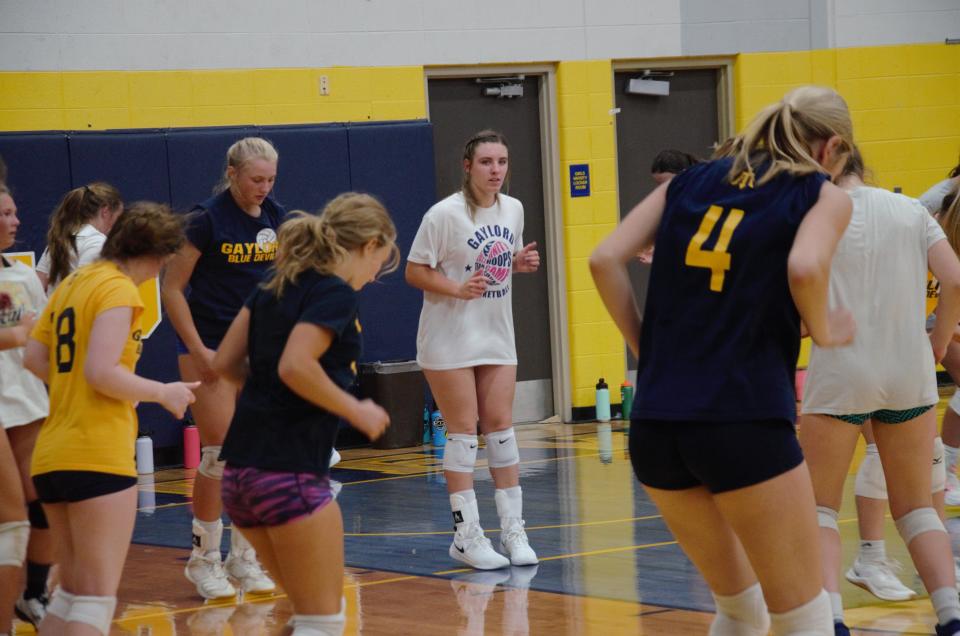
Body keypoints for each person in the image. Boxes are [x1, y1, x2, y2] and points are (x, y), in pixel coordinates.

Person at [590, 85, 856, 635]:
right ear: (831, 148)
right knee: (803, 617)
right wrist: (826, 331)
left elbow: (603, 259)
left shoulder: (690, 180)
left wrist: (649, 352)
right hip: (744, 418)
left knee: (739, 610)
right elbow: (806, 268)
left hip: (658, 427)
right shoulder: (820, 194)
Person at [212, 195, 396, 636]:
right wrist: (356, 408)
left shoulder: (273, 284)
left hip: (240, 476)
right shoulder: (334, 291)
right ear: (370, 245)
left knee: (302, 618)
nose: (375, 276)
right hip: (290, 471)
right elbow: (296, 364)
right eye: (380, 262)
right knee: (323, 623)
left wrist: (270, 394)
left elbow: (223, 364)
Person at [799, 148, 960, 636]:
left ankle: (830, 620)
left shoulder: (813, 212)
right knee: (917, 508)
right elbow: (954, 277)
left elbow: (798, 279)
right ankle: (952, 615)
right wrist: (937, 341)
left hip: (842, 367)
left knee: (819, 510)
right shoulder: (911, 209)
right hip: (909, 370)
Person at [23, 202, 198, 636]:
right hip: (97, 452)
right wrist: (163, 392)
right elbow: (102, 373)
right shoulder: (119, 290)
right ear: (156, 255)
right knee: (95, 600)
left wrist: (80, 386)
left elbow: (34, 357)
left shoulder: (73, 282)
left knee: (68, 594)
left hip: (52, 454)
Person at [406, 130, 541, 570]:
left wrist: (517, 264)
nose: (495, 170)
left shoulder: (514, 208)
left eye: (501, 161)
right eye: (486, 162)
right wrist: (456, 289)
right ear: (468, 166)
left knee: (501, 428)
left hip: (496, 334)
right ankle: (466, 536)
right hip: (449, 338)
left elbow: (498, 261)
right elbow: (415, 271)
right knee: (464, 434)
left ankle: (514, 530)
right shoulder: (443, 214)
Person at [160, 137, 282, 599]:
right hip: (207, 347)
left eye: (270, 179)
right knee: (221, 456)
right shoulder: (204, 220)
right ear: (232, 173)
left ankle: (243, 558)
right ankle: (203, 560)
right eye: (256, 179)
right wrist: (198, 348)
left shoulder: (276, 217)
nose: (263, 188)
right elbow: (172, 289)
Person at [0, 187, 54, 629]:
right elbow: (19, 334)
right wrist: (15, 335)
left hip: (26, 399)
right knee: (12, 521)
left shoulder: (19, 275)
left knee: (46, 503)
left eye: (16, 211)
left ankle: (33, 595)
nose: (16, 220)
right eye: (5, 213)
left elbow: (41, 341)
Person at [35, 183, 124, 293]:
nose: (119, 223)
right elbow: (85, 293)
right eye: (118, 217)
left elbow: (37, 288)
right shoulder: (97, 243)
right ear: (105, 211)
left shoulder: (59, 240)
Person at [639, 150, 702, 263]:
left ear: (684, 175)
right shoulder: (670, 202)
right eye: (658, 185)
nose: (663, 190)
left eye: (668, 184)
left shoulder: (701, 200)